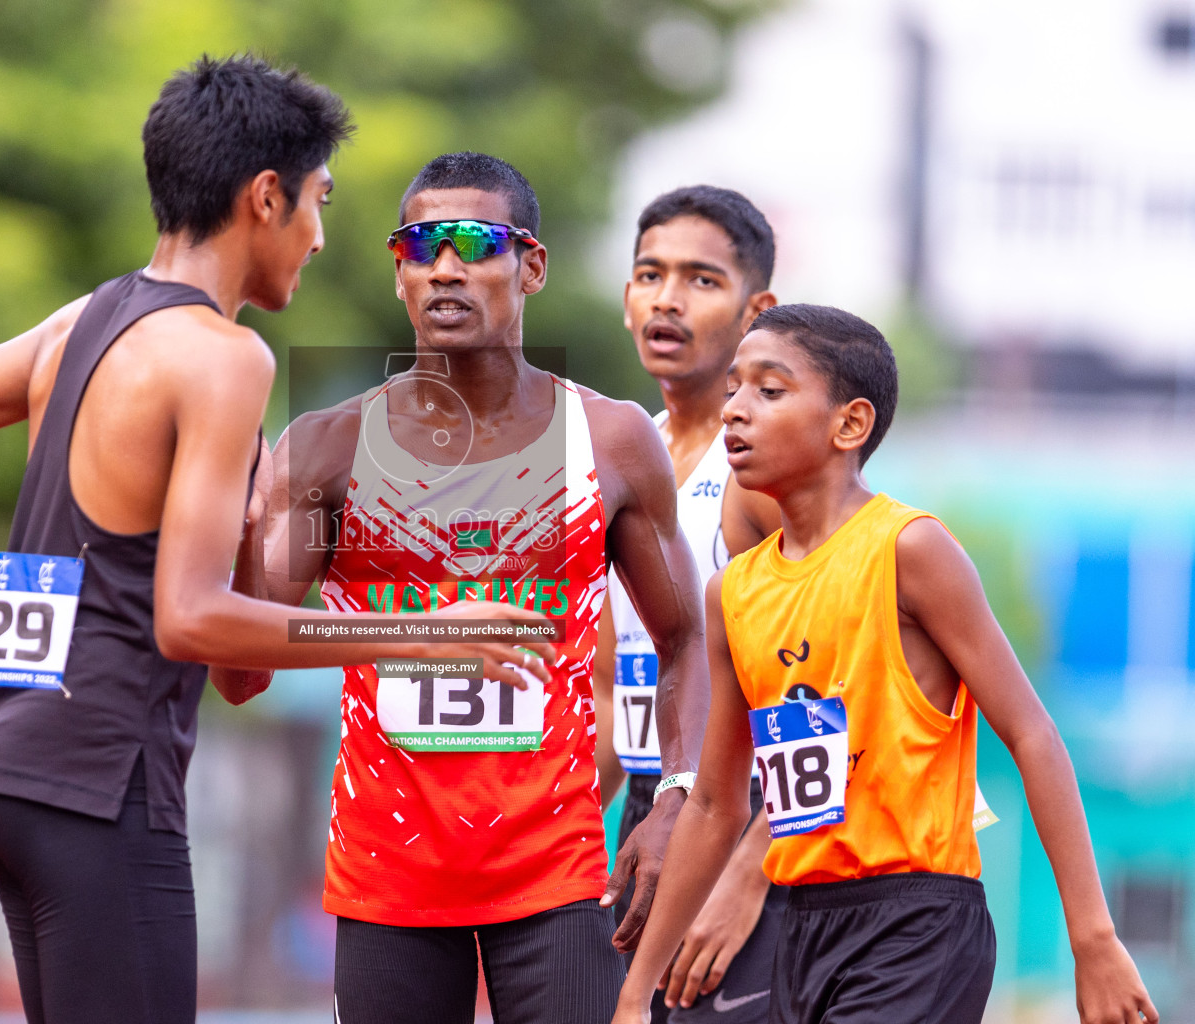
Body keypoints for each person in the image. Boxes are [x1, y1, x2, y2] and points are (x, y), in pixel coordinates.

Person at [0, 60, 550, 1024]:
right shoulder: (223, 358)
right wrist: (420, 634)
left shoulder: (81, 321)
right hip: (101, 781)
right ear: (266, 198)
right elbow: (191, 618)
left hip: (8, 774)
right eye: (318, 204)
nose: (320, 237)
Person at [216, 152, 712, 1024]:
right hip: (387, 874)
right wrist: (246, 519)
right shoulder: (328, 450)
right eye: (419, 244)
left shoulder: (612, 440)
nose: (444, 265)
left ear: (532, 266)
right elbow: (239, 670)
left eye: (474, 241)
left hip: (554, 868)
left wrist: (678, 792)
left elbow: (686, 640)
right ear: (399, 272)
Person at [613, 304, 1159, 1024]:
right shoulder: (732, 593)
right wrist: (634, 993)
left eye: (769, 391)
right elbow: (717, 804)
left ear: (850, 425)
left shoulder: (910, 550)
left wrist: (1094, 940)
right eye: (734, 390)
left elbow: (1033, 734)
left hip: (917, 920)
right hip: (803, 926)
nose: (736, 411)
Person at [590, 186, 783, 1023]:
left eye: (702, 280)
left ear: (755, 310)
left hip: (753, 822)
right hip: (651, 808)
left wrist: (745, 878)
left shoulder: (770, 473)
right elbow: (607, 693)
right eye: (648, 273)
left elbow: (831, 688)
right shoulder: (618, 460)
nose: (666, 298)